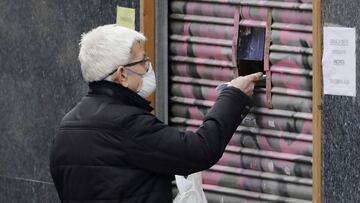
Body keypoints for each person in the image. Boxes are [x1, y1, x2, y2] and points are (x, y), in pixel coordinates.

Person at [50, 24, 262, 203]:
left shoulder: (66, 128)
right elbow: (200, 150)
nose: (149, 67)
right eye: (142, 61)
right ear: (122, 74)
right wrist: (233, 96)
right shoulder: (126, 124)